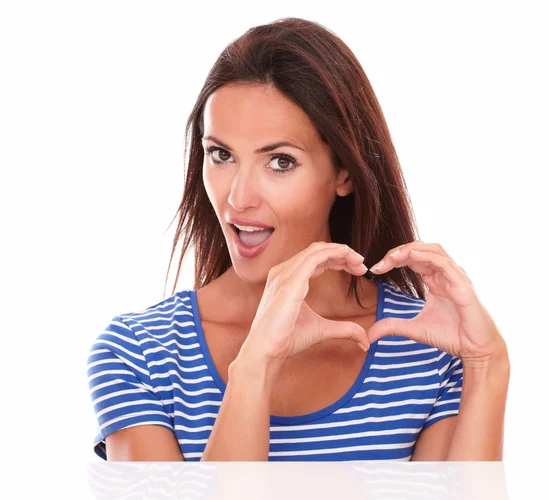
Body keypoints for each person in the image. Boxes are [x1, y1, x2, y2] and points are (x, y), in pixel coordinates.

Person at [87, 17, 510, 462]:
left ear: (343, 172)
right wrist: (254, 368)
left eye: (280, 162)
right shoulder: (138, 354)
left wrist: (488, 364)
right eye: (221, 154)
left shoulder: (429, 348)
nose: (238, 198)